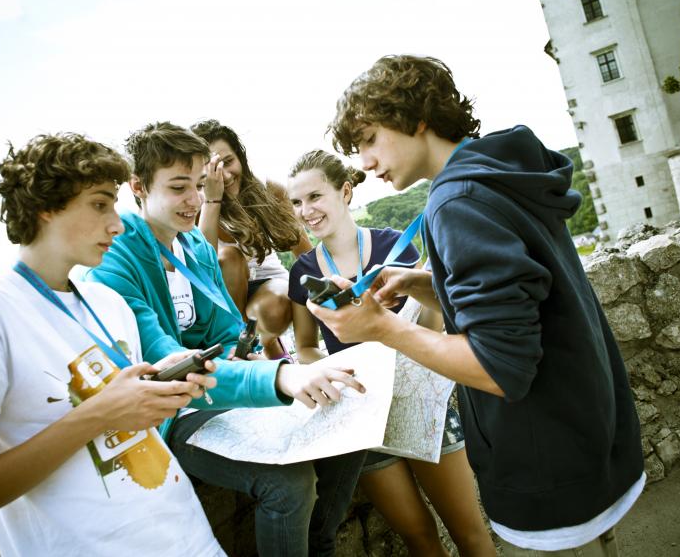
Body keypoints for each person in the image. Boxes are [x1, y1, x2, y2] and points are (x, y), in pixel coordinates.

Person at [310, 54, 645, 556]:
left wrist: (380, 328)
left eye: (369, 139)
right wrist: (425, 284)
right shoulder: (499, 169)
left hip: (546, 458)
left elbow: (501, 368)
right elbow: (532, 291)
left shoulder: (457, 202)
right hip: (590, 427)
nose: (365, 162)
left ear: (416, 119)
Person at [0, 133, 226, 556]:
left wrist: (163, 389)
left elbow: (127, 430)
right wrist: (100, 412)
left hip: (189, 538)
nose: (117, 224)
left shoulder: (110, 303)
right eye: (100, 204)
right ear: (46, 205)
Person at [86, 122, 367, 557]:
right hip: (171, 411)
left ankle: (319, 547)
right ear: (138, 186)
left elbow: (226, 335)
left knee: (343, 422)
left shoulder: (196, 247)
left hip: (224, 391)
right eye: (179, 187)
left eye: (199, 186)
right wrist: (282, 378)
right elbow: (165, 358)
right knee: (288, 483)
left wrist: (265, 361)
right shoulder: (118, 252)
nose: (194, 200)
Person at [286, 150, 495, 557]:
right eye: (296, 202)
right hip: (362, 417)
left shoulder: (390, 244)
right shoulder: (303, 272)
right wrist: (330, 371)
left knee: (470, 532)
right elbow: (306, 345)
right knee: (419, 538)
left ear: (345, 192)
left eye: (315, 196)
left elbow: (433, 319)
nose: (305, 210)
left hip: (422, 401)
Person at [190, 119, 312, 360]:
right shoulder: (195, 207)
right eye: (213, 169)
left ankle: (268, 345)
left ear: (241, 157)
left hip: (267, 284)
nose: (225, 175)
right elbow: (204, 267)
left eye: (228, 162)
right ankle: (240, 347)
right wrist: (212, 201)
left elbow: (306, 255)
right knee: (229, 257)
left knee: (275, 306)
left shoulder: (271, 191)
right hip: (224, 294)